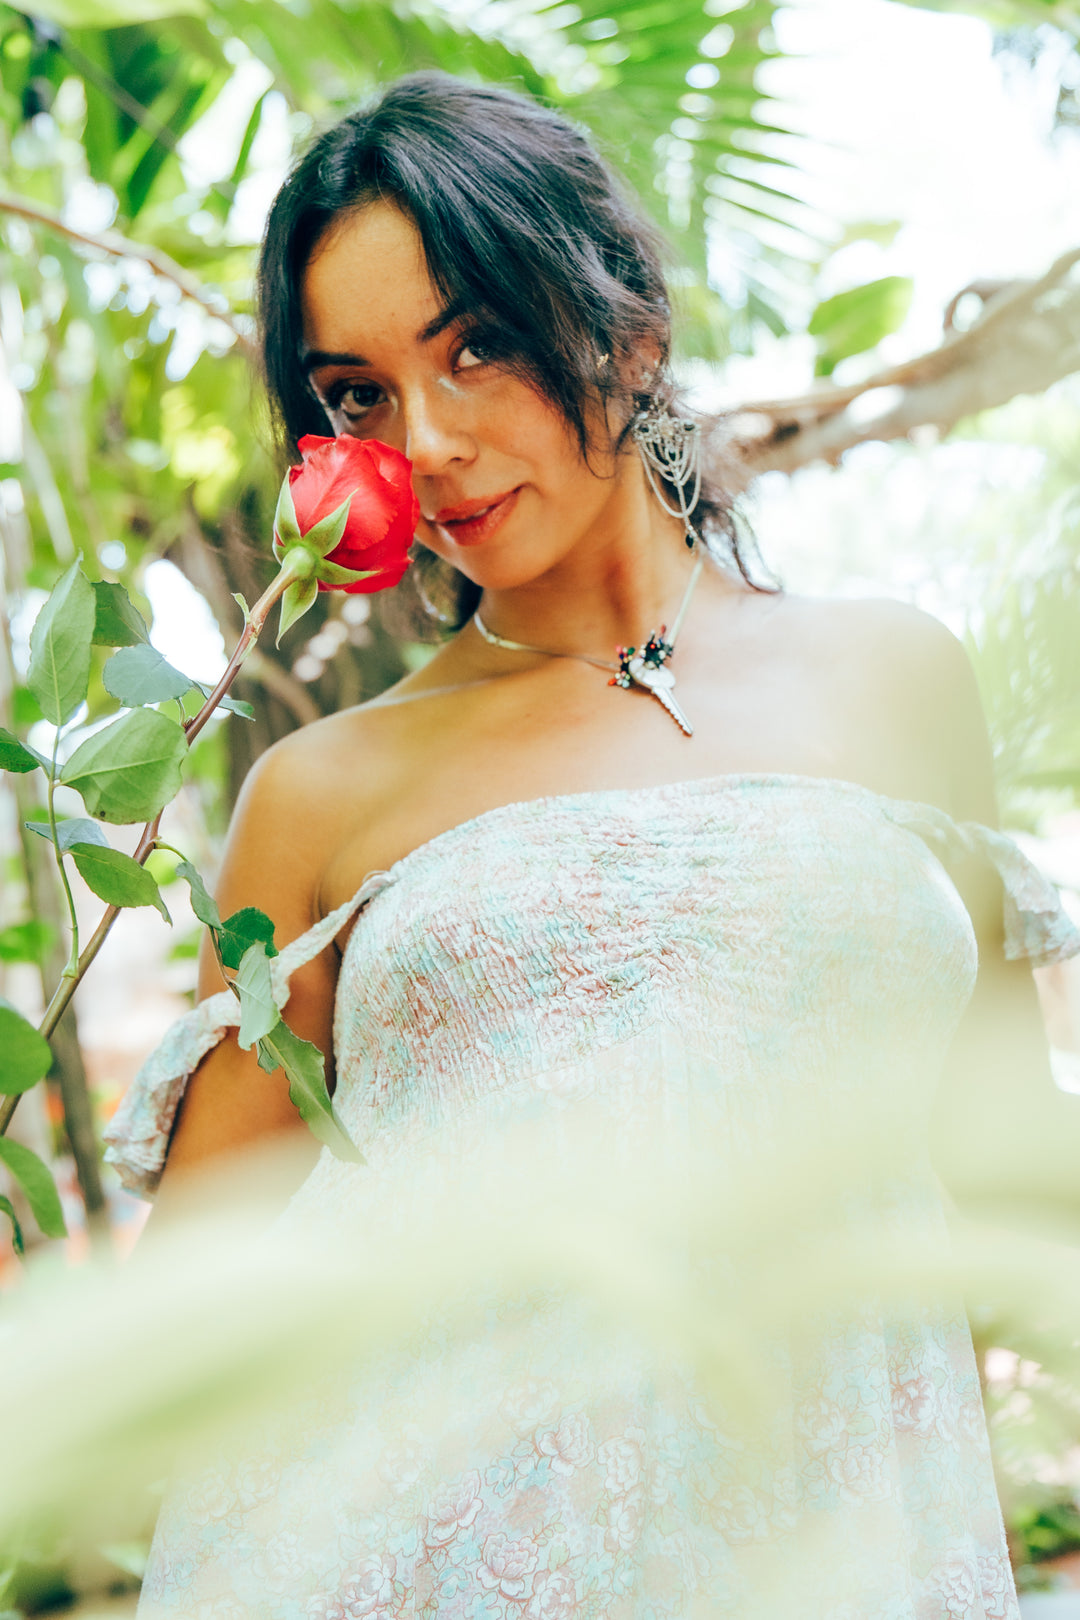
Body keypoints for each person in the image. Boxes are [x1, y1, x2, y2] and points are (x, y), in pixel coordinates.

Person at [105, 72, 1080, 1619]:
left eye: (475, 346)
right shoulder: (320, 791)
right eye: (357, 395)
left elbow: (1009, 1188)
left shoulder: (895, 681)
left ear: (629, 328)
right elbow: (198, 1312)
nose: (426, 441)